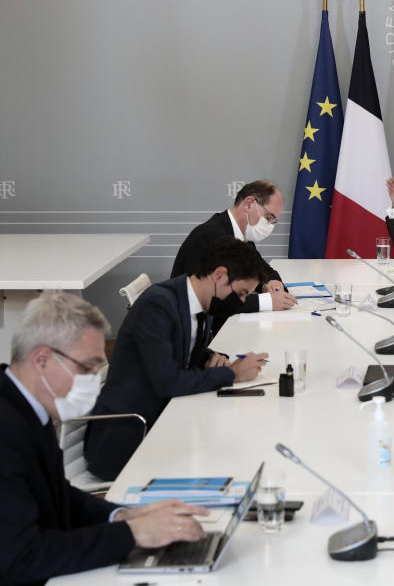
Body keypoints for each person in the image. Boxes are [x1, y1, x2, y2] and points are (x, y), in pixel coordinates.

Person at [0, 291, 209, 585]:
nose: (93, 379)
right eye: (86, 367)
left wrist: (124, 516)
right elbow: (20, 558)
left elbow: (58, 495)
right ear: (43, 359)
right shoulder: (7, 429)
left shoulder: (28, 405)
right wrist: (133, 534)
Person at [85, 238, 268, 481]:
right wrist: (232, 374)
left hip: (161, 424)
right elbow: (167, 382)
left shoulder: (199, 303)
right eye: (242, 292)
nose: (243, 301)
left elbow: (182, 347)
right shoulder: (158, 304)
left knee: (236, 444)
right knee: (230, 457)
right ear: (220, 275)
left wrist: (210, 358)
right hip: (124, 439)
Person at [171, 179, 296, 333]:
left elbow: (263, 269)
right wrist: (266, 301)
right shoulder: (209, 236)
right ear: (249, 204)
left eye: (274, 221)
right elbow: (210, 300)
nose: (270, 225)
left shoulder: (242, 235)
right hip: (196, 333)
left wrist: (270, 283)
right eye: (269, 217)